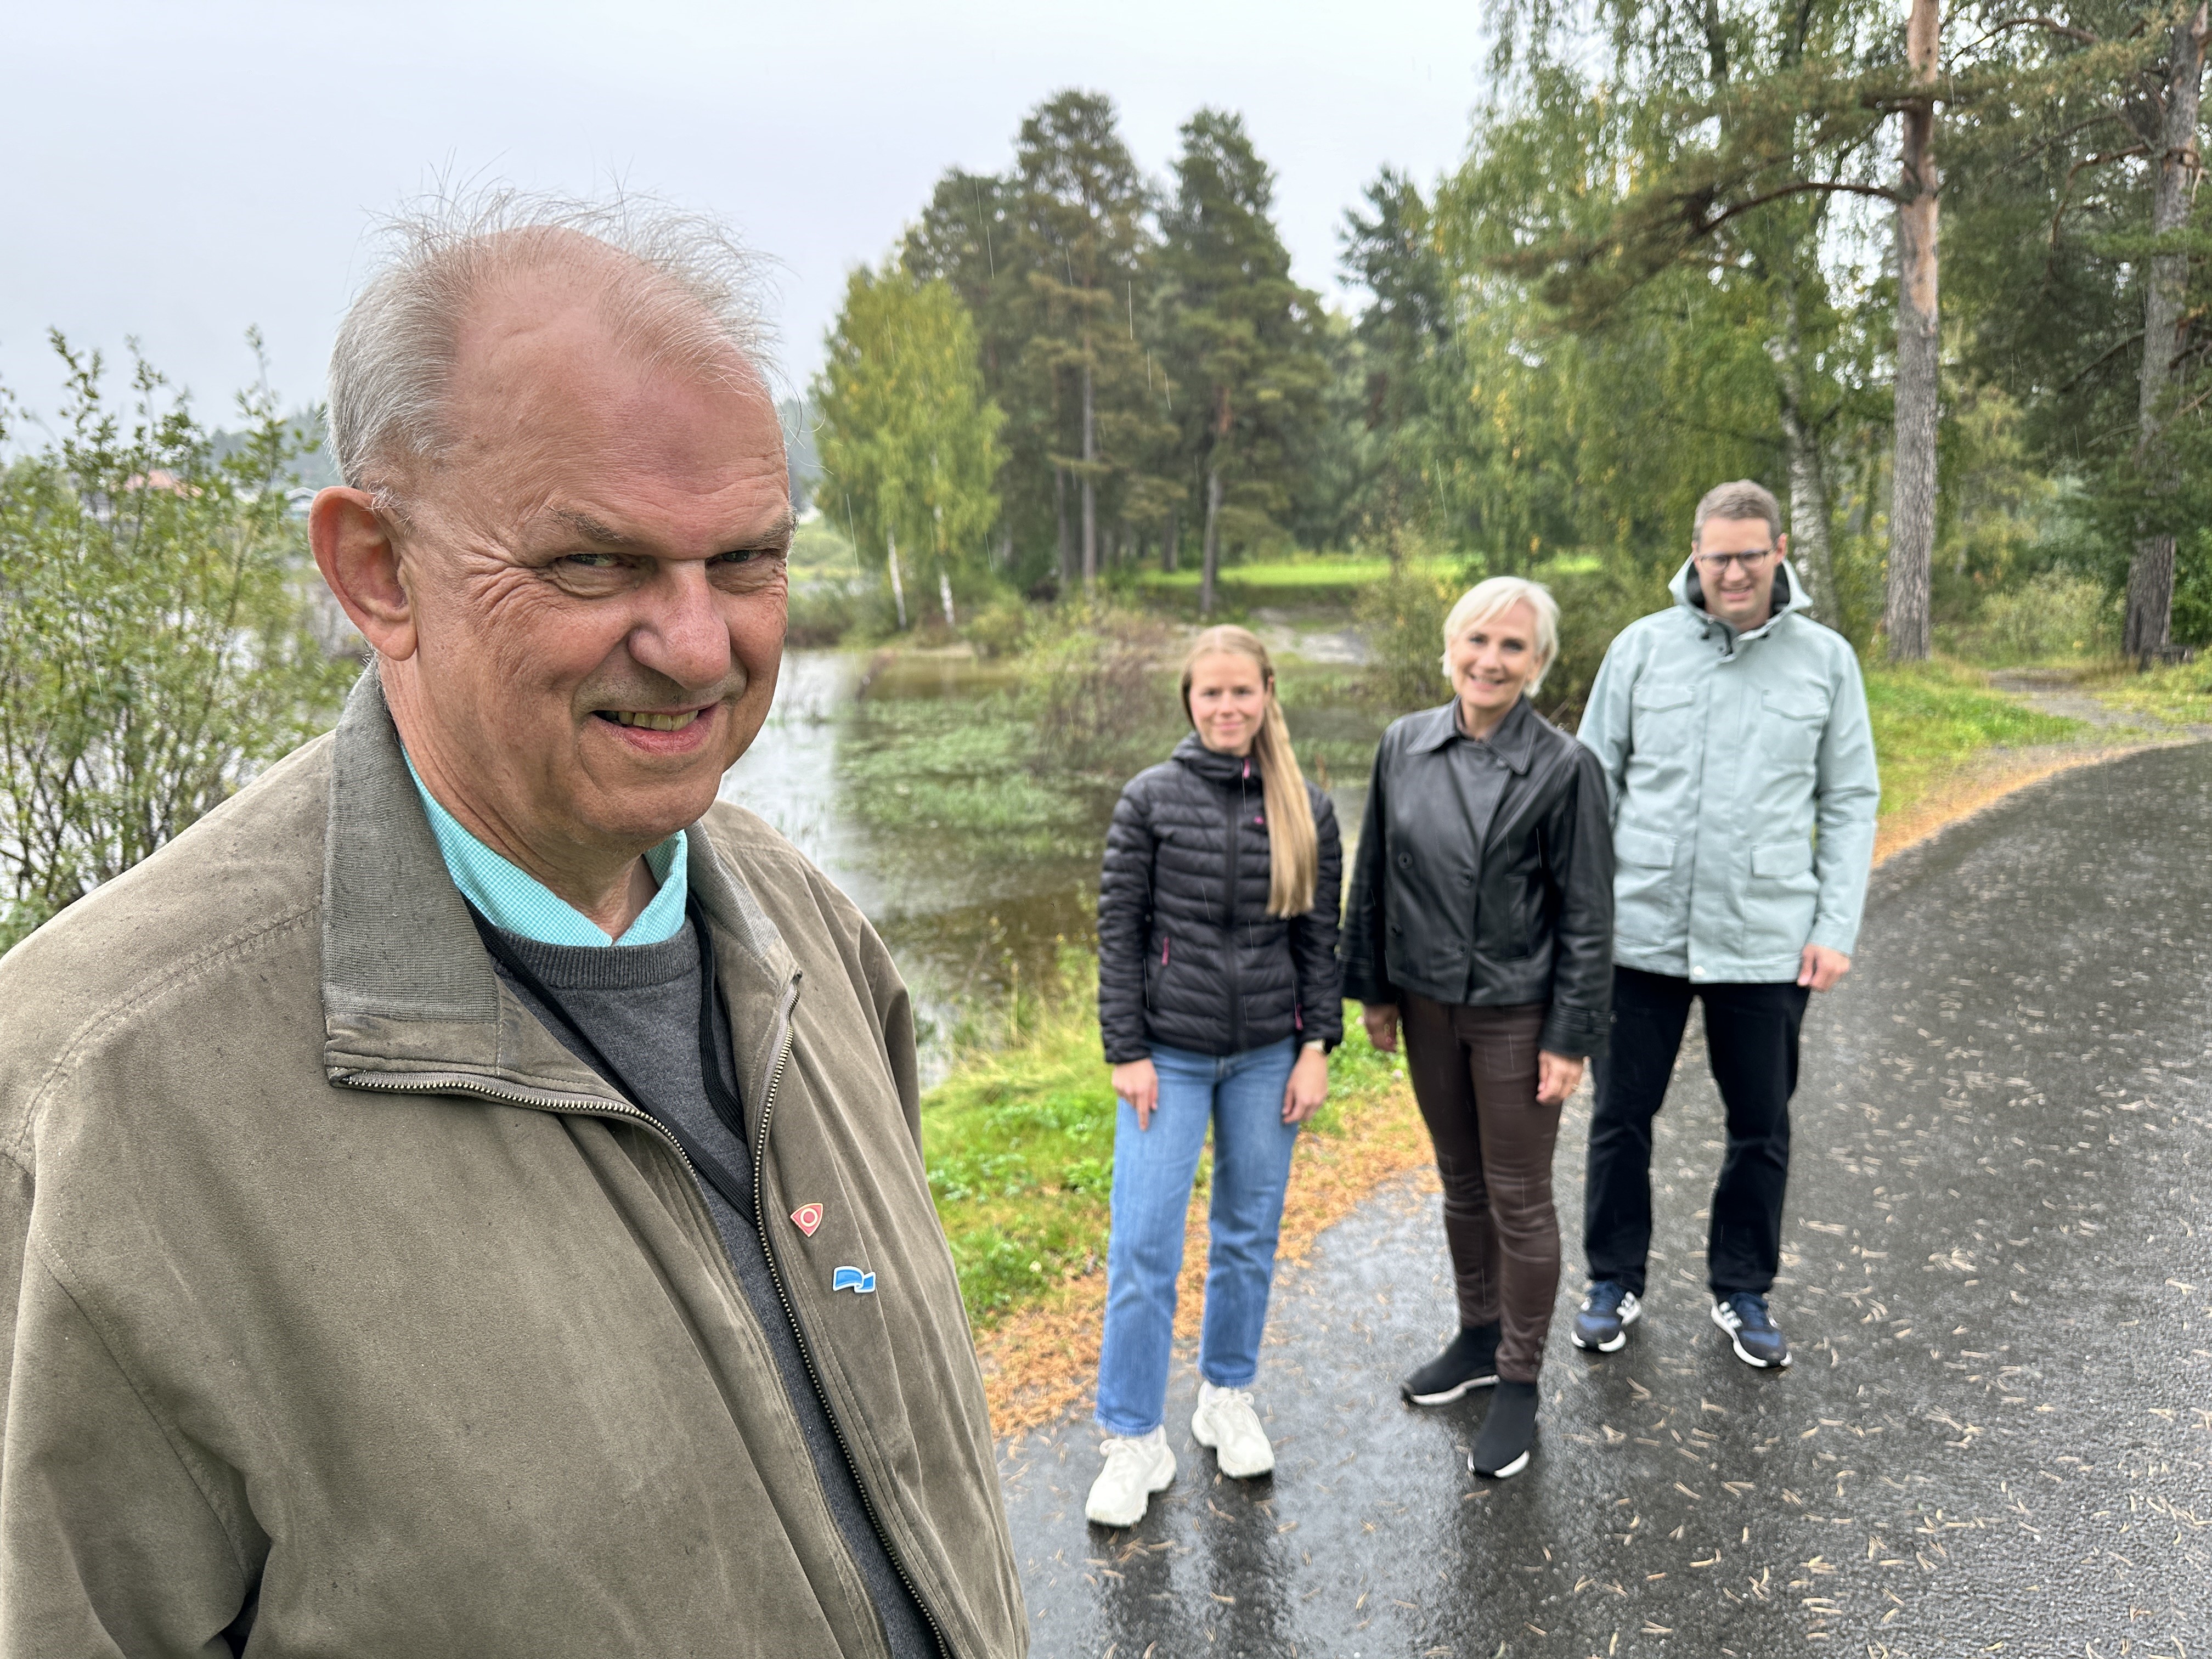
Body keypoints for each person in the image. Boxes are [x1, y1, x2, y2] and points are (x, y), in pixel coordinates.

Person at [0, 195, 1026, 1657]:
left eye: (746, 559)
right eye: (594, 565)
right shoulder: (97, 1096)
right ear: (376, 571)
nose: (698, 646)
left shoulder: (812, 935)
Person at [1571, 479, 1878, 1372]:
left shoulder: (1826, 661)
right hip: (1642, 936)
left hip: (1768, 938)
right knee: (1622, 1115)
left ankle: (1742, 1288)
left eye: (1751, 553)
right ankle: (1612, 1280)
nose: (1734, 571)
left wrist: (1835, 926)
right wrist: (1585, 922)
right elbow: (1594, 790)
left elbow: (1851, 799)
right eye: (1719, 555)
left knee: (1760, 1123)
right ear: (1694, 554)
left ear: (1779, 550)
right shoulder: (1640, 651)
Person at [1342, 577, 1613, 1480]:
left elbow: (1586, 914)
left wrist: (1570, 1035)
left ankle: (1521, 1379)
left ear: (1539, 664)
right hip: (1424, 1006)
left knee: (1520, 1198)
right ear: (1450, 647)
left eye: (1513, 647)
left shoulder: (1565, 768)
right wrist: (1373, 991)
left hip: (1515, 1012)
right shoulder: (1402, 745)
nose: (1491, 661)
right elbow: (1374, 870)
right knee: (1459, 1183)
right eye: (1478, 642)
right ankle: (1476, 1336)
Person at [1085, 625, 1344, 1528]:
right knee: (1145, 1245)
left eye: (1243, 692)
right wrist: (1127, 1050)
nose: (1227, 708)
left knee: (1247, 1234)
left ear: (1268, 693)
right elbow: (1119, 933)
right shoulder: (1148, 800)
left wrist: (1318, 1047)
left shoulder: (1305, 804)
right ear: (1189, 703)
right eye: (1211, 694)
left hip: (1270, 1054)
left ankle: (1225, 1396)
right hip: (1172, 1056)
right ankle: (1132, 1438)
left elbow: (1320, 941)